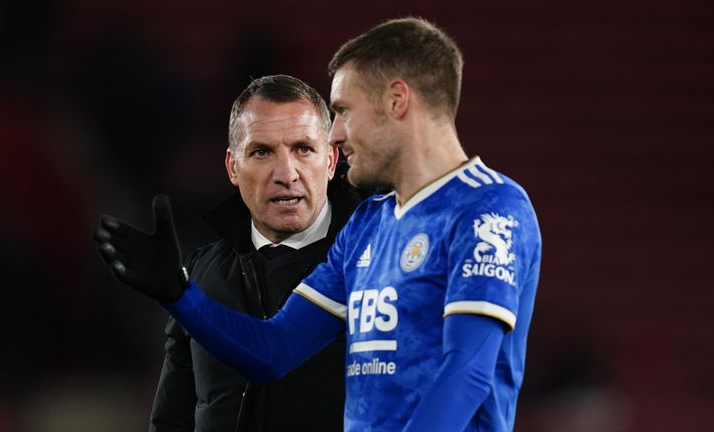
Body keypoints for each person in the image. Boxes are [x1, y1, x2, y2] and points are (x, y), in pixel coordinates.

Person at [95, 18, 541, 431]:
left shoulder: (488, 208)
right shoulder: (369, 225)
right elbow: (274, 351)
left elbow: (467, 373)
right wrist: (181, 296)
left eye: (344, 110)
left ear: (397, 101)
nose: (337, 133)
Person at [99, 75, 359, 431]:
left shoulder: (373, 262)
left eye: (303, 149)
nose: (286, 173)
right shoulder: (201, 274)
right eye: (261, 151)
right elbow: (171, 420)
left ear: (330, 162)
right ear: (232, 167)